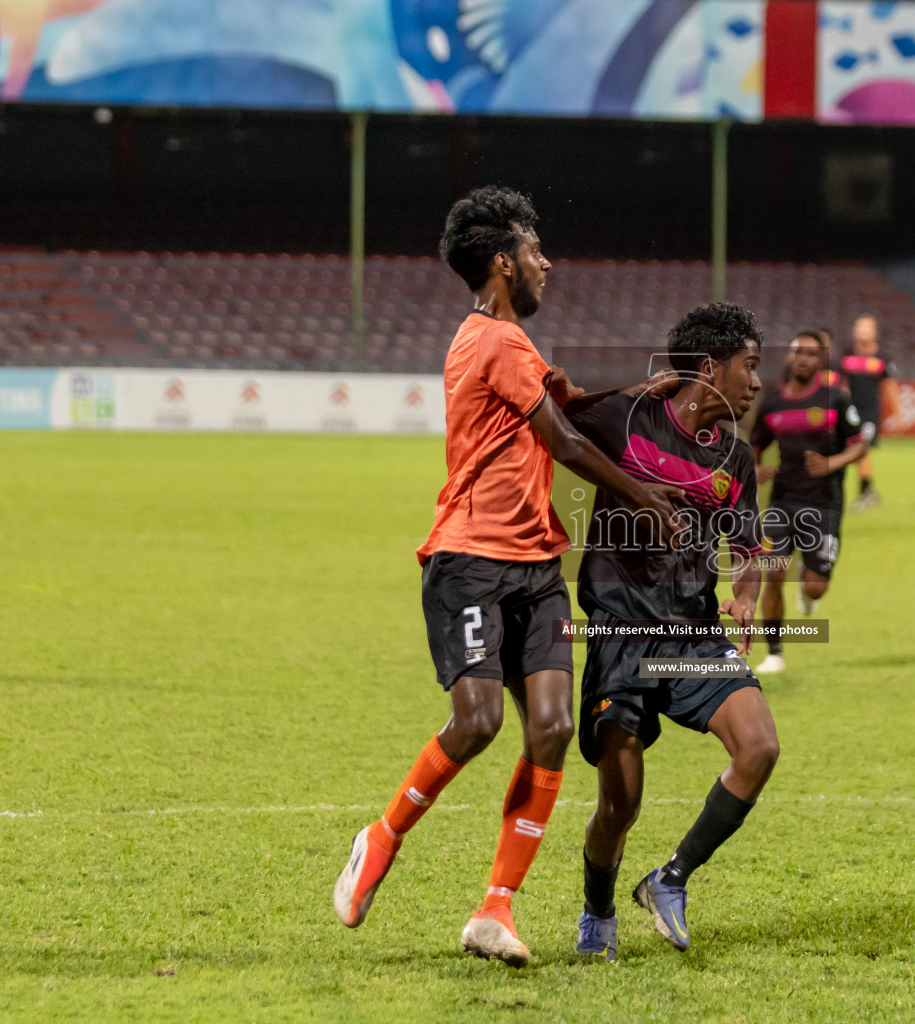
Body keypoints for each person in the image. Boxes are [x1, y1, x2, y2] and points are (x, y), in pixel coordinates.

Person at [332, 187, 680, 968]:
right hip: (470, 562)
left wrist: (638, 395)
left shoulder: (513, 346)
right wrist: (644, 495)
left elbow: (571, 411)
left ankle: (495, 910)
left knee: (554, 728)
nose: (545, 261)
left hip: (535, 569)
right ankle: (380, 837)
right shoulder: (493, 341)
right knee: (480, 722)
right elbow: (560, 438)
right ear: (501, 261)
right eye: (533, 250)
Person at [565, 303, 777, 960]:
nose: (757, 383)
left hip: (693, 639)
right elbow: (556, 417)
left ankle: (670, 879)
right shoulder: (630, 421)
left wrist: (746, 594)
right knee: (619, 807)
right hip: (621, 637)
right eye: (749, 366)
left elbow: (751, 548)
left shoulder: (735, 458)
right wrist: (635, 389)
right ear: (709, 369)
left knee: (759, 746)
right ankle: (598, 908)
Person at [749, 331, 869, 675]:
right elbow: (753, 444)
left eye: (812, 353)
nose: (803, 358)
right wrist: (756, 468)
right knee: (772, 572)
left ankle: (808, 586)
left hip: (824, 504)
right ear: (789, 357)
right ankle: (774, 653)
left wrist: (831, 463)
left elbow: (859, 444)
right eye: (798, 351)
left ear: (822, 361)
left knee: (815, 588)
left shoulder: (837, 400)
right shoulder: (772, 404)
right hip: (783, 502)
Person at [840, 314, 898, 510]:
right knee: (854, 450)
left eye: (867, 327)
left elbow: (890, 387)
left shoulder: (882, 357)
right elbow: (840, 384)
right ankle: (868, 490)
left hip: (870, 413)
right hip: (850, 412)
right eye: (859, 326)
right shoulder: (847, 354)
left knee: (862, 448)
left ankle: (865, 492)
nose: (862, 330)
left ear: (874, 332)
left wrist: (898, 414)